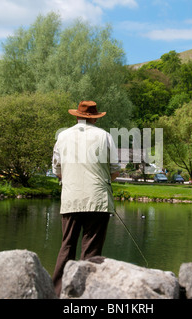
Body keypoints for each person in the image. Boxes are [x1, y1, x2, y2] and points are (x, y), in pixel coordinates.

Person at [51, 100, 120, 297]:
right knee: (92, 251)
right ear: (96, 118)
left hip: (71, 199)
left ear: (76, 116)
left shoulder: (62, 136)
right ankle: (85, 293)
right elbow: (114, 170)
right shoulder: (105, 136)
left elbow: (57, 170)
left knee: (67, 246)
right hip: (98, 200)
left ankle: (56, 292)